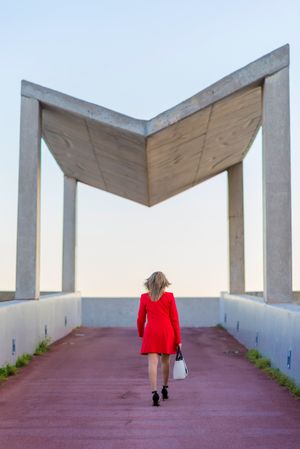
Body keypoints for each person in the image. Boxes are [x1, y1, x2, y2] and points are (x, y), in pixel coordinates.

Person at [137, 271, 182, 406]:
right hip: (167, 332)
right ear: (164, 283)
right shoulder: (169, 297)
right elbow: (175, 319)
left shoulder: (145, 297)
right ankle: (165, 388)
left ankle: (154, 392)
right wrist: (178, 339)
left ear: (149, 283)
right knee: (165, 361)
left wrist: (141, 333)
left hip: (151, 332)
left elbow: (140, 319)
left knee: (152, 363)